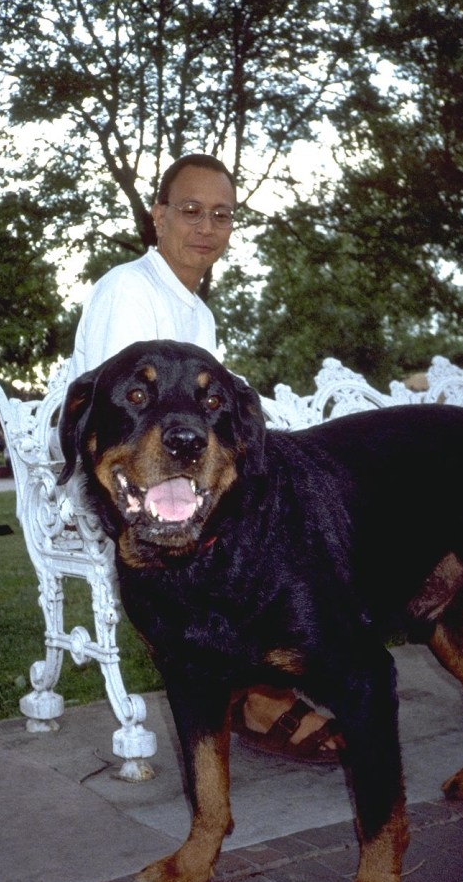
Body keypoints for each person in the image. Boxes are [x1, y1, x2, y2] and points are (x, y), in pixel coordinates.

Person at [68, 152, 343, 763]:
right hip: (122, 486)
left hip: (174, 477)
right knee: (267, 517)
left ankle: (270, 670)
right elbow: (129, 425)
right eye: (190, 211)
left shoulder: (198, 311)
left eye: (221, 215)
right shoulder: (128, 290)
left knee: (282, 494)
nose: (206, 228)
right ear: (158, 217)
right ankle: (256, 687)